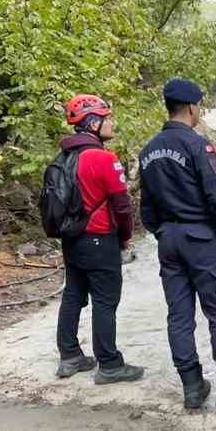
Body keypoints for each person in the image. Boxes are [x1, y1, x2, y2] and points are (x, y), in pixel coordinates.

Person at [138, 78, 216, 411]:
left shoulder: (148, 151)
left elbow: (146, 207)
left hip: (169, 240)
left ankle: (192, 387)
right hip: (201, 240)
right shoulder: (198, 146)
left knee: (179, 316)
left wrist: (164, 233)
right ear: (192, 107)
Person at [54, 94, 144, 384]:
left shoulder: (64, 157)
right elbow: (122, 205)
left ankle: (69, 356)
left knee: (73, 294)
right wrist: (126, 236)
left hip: (72, 239)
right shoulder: (103, 158)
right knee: (105, 300)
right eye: (107, 117)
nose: (111, 122)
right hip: (100, 239)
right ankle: (109, 364)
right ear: (93, 123)